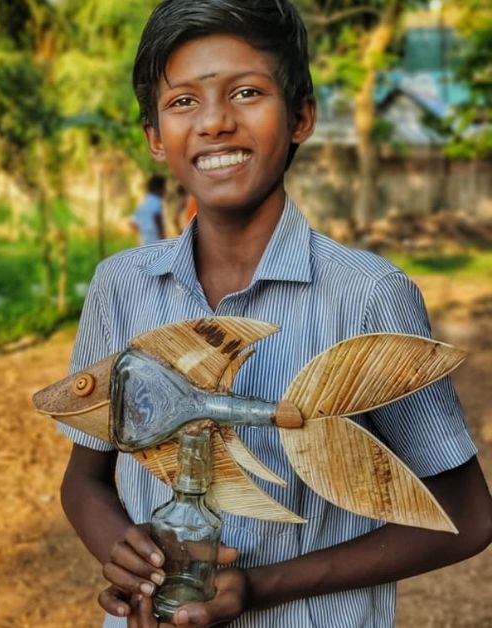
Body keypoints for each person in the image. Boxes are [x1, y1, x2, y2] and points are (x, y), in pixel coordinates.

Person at [57, 1, 492, 627]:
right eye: (183, 102)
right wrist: (130, 560)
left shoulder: (367, 294)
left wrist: (258, 586)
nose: (215, 122)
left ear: (301, 116)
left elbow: (468, 518)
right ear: (155, 135)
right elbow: (85, 478)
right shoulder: (121, 286)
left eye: (246, 92)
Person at [131, 175, 167, 244]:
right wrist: (163, 240)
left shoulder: (143, 202)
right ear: (159, 189)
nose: (165, 191)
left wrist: (143, 232)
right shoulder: (157, 201)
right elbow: (158, 221)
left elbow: (133, 223)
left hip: (144, 242)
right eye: (164, 188)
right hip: (155, 242)